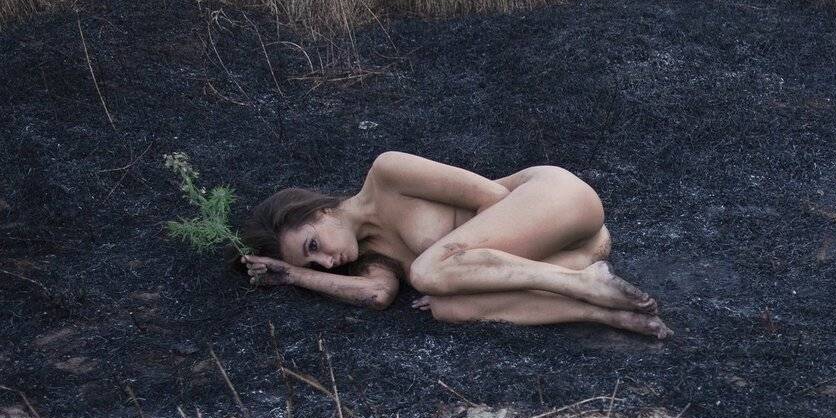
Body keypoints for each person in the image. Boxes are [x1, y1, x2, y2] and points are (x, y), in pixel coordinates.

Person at [239, 153, 672, 339]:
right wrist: (292, 275)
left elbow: (496, 199)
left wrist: (460, 271)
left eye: (314, 245)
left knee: (428, 273)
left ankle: (585, 283)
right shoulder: (371, 257)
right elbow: (376, 295)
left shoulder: (387, 173)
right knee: (447, 307)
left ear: (318, 212)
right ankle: (606, 311)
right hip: (576, 249)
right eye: (315, 264)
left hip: (556, 201)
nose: (326, 261)